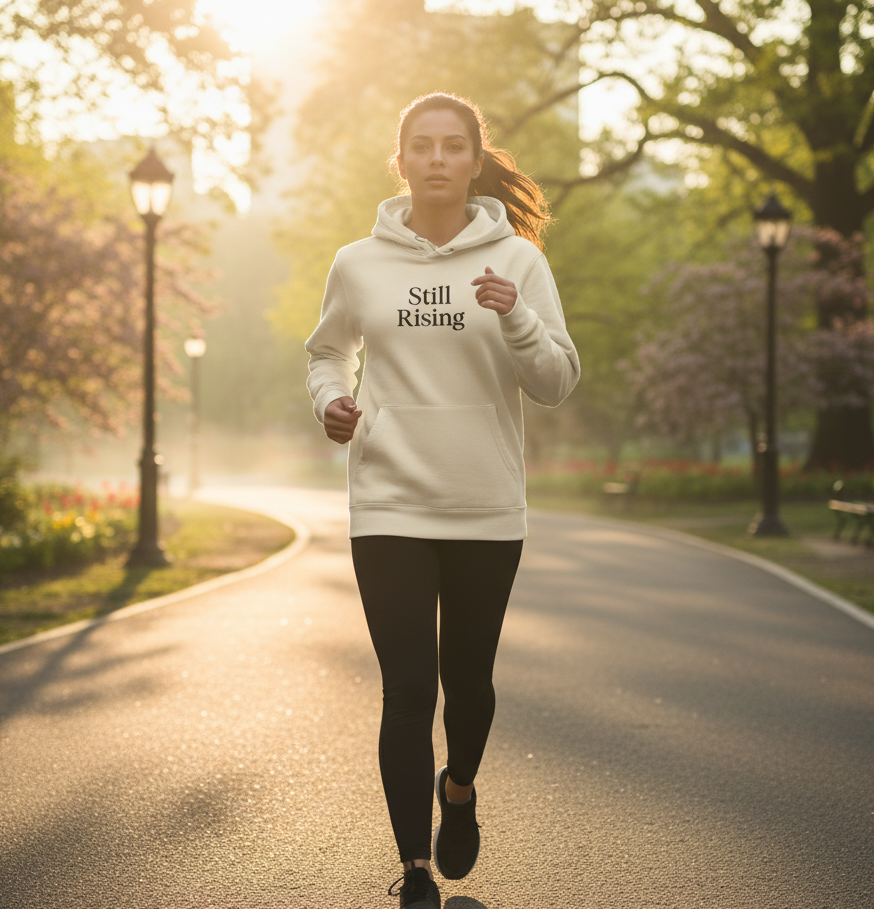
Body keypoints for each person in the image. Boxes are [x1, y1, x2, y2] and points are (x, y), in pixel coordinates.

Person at [305, 92, 580, 909]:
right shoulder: (357, 262)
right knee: (407, 686)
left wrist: (517, 318)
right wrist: (331, 404)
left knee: (469, 681)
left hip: (484, 503)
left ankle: (457, 786)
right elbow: (326, 353)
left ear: (472, 160)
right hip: (387, 500)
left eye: (451, 145)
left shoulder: (520, 262)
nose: (435, 159)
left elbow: (557, 382)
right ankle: (414, 868)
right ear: (400, 162)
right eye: (420, 145)